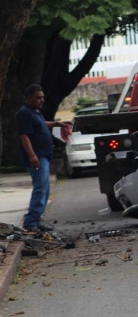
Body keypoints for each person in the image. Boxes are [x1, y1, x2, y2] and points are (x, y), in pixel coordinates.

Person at [17, 84, 70, 233]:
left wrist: (56, 123)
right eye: (37, 98)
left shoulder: (34, 112)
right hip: (37, 157)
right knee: (40, 188)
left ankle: (36, 219)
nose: (41, 101)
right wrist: (32, 155)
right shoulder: (24, 113)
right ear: (28, 98)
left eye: (42, 98)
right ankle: (30, 221)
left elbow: (40, 125)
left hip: (44, 156)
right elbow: (24, 136)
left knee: (45, 189)